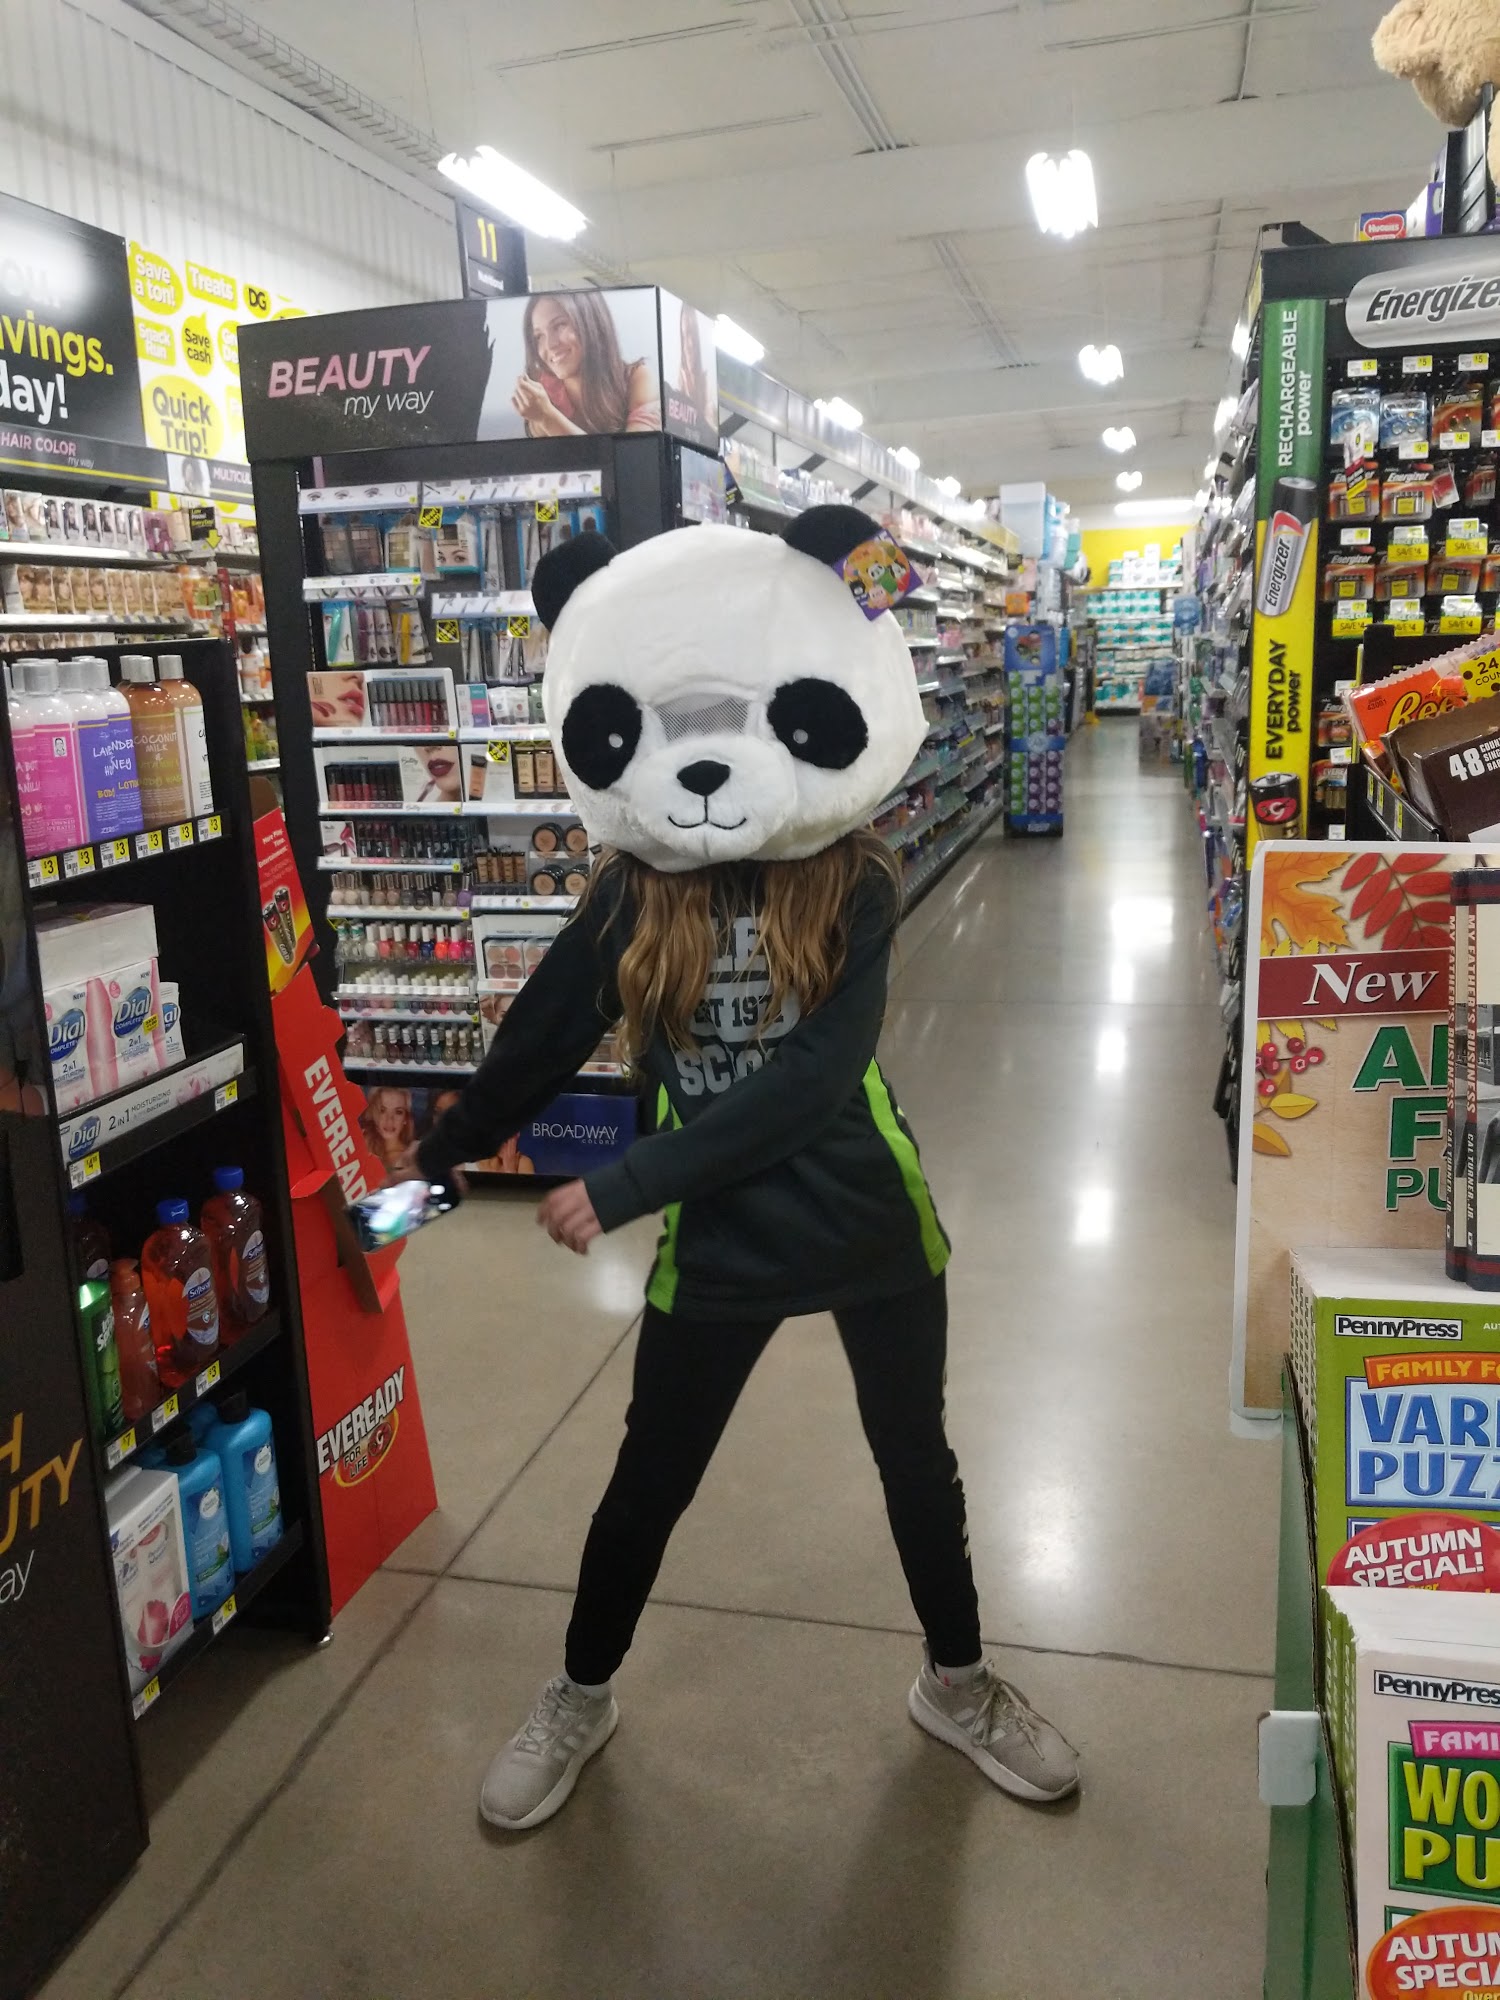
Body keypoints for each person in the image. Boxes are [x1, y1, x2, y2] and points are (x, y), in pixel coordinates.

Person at [402, 506, 1078, 1832]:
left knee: (915, 1464)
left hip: (866, 1215)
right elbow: (545, 1030)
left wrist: (626, 1180)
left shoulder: (859, 879)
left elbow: (814, 1084)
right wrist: (445, 1148)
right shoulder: (633, 891)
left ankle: (958, 1682)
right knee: (650, 1477)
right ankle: (579, 1694)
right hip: (719, 1236)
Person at [511, 292, 661, 439]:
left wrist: (548, 417)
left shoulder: (637, 378)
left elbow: (636, 452)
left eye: (559, 325)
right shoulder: (542, 394)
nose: (550, 344)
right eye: (539, 336)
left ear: (592, 322)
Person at [362, 1086, 414, 1170]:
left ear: (405, 1118)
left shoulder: (411, 1159)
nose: (389, 1120)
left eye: (398, 1112)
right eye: (382, 1110)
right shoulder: (355, 1145)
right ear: (373, 1113)